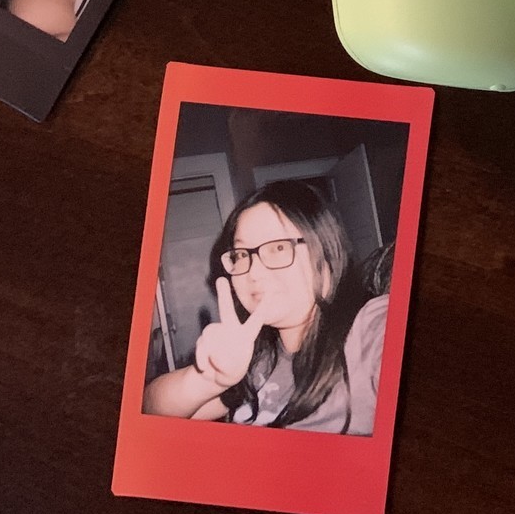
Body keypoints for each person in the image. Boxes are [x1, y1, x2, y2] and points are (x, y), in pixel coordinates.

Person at [142, 179, 389, 435]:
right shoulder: (257, 358)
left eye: (279, 247)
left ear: (326, 251)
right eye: (241, 254)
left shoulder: (372, 328)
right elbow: (148, 411)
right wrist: (207, 379)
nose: (254, 272)